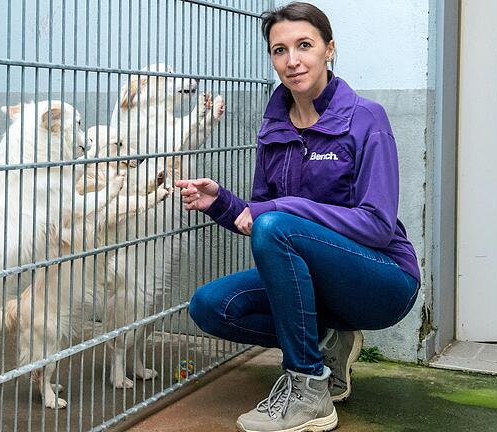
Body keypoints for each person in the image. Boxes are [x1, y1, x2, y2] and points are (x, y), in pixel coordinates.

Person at [175, 2, 420, 432]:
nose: (291, 60)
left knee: (276, 223)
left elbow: (378, 225)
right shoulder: (273, 128)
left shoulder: (366, 119)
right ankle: (326, 343)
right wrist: (221, 203)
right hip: (313, 280)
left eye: (304, 45)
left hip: (383, 279)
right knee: (210, 306)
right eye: (279, 50)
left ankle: (309, 389)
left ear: (329, 49)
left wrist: (277, 210)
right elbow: (261, 221)